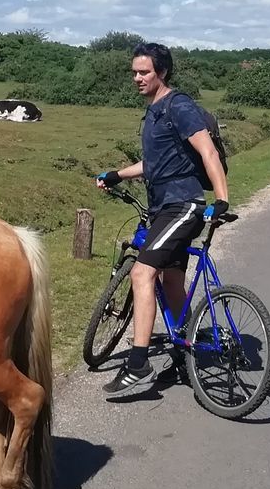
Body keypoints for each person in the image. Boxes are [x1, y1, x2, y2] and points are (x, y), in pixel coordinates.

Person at [94, 42, 229, 395]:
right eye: (135, 72)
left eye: (145, 72)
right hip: (163, 207)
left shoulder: (179, 106)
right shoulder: (154, 111)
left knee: (141, 272)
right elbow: (154, 165)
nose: (138, 78)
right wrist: (117, 174)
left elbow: (208, 151)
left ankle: (138, 362)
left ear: (162, 72)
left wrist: (222, 198)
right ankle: (186, 354)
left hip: (182, 205)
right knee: (171, 281)